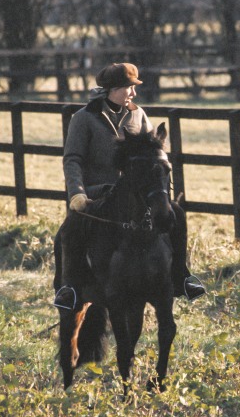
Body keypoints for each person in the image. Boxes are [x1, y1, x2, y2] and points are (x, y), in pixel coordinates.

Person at [53, 62, 206, 309]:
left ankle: (182, 276)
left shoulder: (138, 114)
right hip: (96, 193)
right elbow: (73, 159)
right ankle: (68, 288)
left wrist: (160, 191)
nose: (133, 94)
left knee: (176, 215)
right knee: (68, 230)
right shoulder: (83, 119)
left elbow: (153, 155)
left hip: (133, 195)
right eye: (129, 88)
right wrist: (77, 193)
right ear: (111, 89)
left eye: (134, 88)